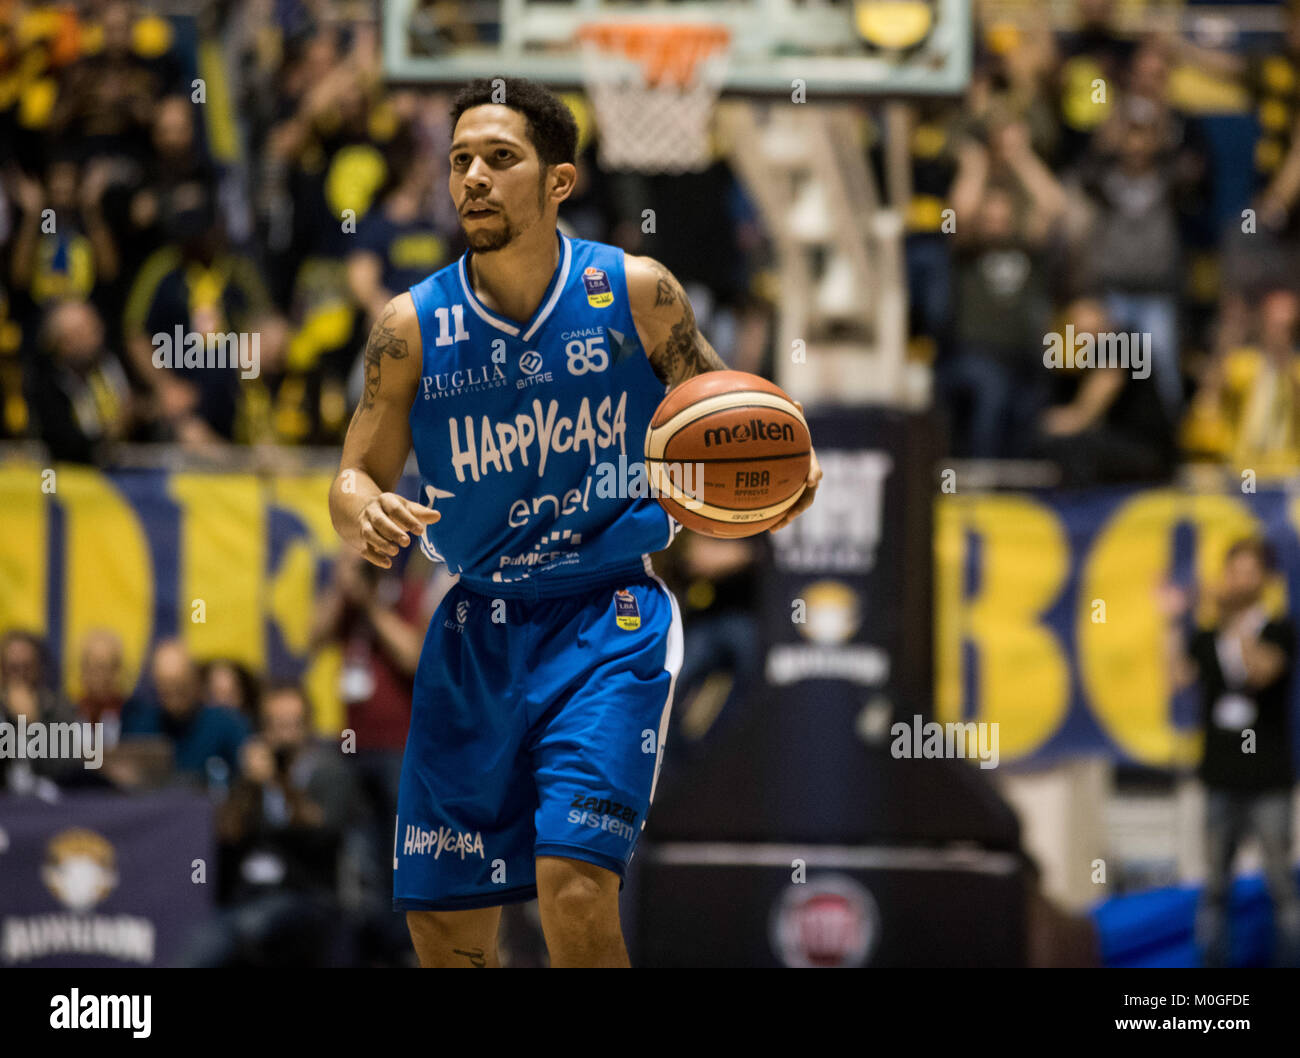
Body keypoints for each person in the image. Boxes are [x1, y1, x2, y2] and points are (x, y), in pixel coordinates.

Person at [328, 77, 822, 968]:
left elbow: (726, 412)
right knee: (446, 933)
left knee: (575, 888)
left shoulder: (637, 293)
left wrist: (780, 470)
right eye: (460, 161)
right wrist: (366, 510)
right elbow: (353, 473)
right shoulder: (410, 328)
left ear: (559, 182)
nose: (473, 177)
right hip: (476, 622)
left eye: (500, 159)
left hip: (608, 619)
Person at [1162, 537, 1300, 967]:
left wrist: (1234, 618)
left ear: (1264, 580)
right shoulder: (1207, 636)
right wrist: (1169, 623)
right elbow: (1176, 678)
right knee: (1215, 887)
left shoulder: (1278, 630)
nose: (1239, 581)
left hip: (1268, 781)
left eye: (1248, 573)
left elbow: (1259, 671)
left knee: (1280, 885)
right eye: (1234, 572)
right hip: (1220, 778)